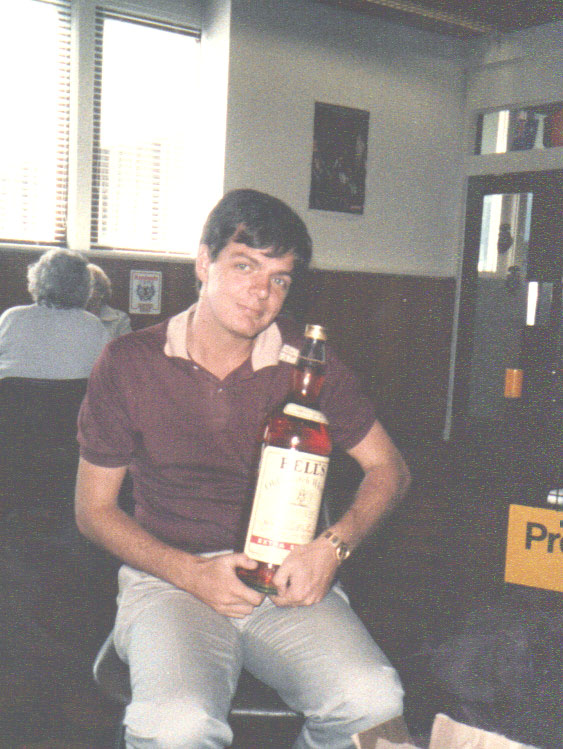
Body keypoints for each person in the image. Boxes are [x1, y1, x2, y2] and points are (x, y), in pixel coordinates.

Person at [75, 188, 411, 749]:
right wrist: (189, 572)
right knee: (176, 726)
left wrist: (334, 545)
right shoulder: (130, 362)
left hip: (283, 576)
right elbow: (93, 511)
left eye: (280, 278)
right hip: (169, 577)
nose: (261, 293)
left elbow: (390, 469)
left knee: (373, 702)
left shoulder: (307, 363)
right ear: (204, 263)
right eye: (244, 266)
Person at [0, 249, 110, 380]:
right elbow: (107, 372)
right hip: (71, 399)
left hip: (13, 398)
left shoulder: (13, 317)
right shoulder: (93, 324)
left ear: (37, 279)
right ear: (86, 286)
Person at [87, 263, 132, 339]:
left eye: (93, 286)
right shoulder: (71, 319)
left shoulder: (120, 320)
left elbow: (127, 348)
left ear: (102, 291)